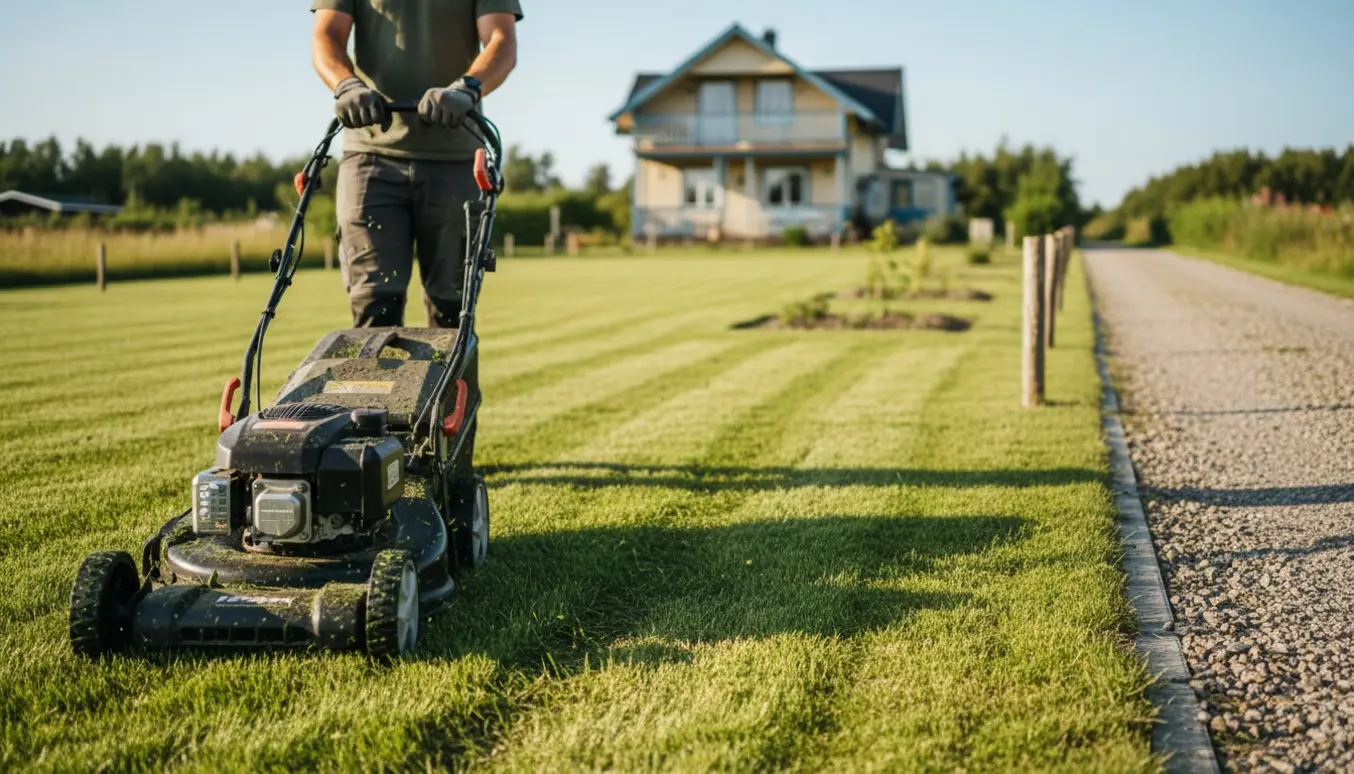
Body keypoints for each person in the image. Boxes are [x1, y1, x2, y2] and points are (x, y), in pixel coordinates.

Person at [310, 0, 522, 329]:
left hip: (456, 158)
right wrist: (346, 85)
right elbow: (327, 34)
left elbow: (501, 40)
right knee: (374, 305)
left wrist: (468, 88)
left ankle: (455, 383)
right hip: (370, 157)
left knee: (453, 310)